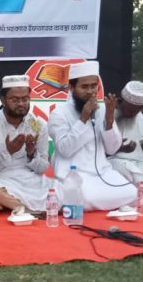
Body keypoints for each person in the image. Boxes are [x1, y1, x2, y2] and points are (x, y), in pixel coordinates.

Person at [48, 61, 137, 211]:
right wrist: (83, 118)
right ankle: (73, 198)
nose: (90, 91)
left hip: (102, 173)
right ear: (71, 88)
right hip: (73, 175)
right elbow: (65, 149)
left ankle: (81, 201)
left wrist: (109, 121)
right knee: (83, 196)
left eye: (93, 86)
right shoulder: (59, 114)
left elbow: (112, 149)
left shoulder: (101, 110)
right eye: (84, 87)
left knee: (133, 193)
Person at [0, 75, 53, 213]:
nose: (21, 104)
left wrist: (31, 154)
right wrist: (8, 153)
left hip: (29, 179)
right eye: (15, 100)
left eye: (25, 99)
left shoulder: (37, 126)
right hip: (0, 178)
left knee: (59, 190)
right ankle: (28, 210)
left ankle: (14, 207)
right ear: (3, 100)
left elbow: (42, 168)